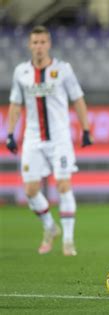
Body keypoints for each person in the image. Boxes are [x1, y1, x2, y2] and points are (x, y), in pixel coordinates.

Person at [6, 25, 93, 256]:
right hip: (32, 138)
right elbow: (15, 104)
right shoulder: (21, 72)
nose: (39, 47)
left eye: (42, 42)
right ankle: (50, 227)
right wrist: (10, 133)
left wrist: (85, 129)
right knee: (31, 190)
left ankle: (68, 241)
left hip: (60, 138)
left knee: (63, 185)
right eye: (35, 42)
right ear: (29, 45)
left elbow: (78, 99)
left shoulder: (63, 70)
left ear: (49, 44)